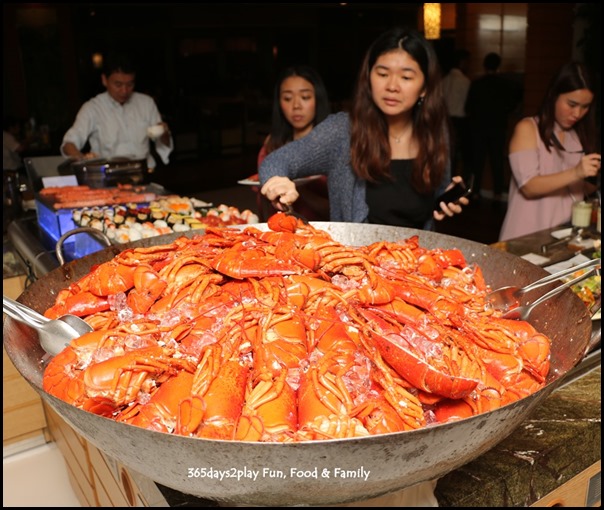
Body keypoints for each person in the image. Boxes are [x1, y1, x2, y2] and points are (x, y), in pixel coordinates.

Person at [259, 26, 467, 230]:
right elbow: (276, 161)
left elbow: (436, 201)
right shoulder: (343, 131)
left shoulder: (435, 133)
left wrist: (446, 199)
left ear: (424, 88)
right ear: (369, 78)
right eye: (383, 74)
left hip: (418, 259)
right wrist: (278, 182)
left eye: (406, 77)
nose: (392, 86)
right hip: (356, 261)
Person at [498, 61, 600, 241]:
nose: (577, 113)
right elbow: (529, 187)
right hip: (524, 240)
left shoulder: (577, 136)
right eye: (571, 104)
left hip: (563, 238)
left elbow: (576, 189)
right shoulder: (528, 128)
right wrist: (576, 172)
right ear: (554, 96)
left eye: (585, 107)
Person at [61, 52, 173, 172]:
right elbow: (69, 143)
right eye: (118, 84)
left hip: (145, 172)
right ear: (104, 80)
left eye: (130, 84)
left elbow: (163, 144)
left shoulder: (146, 103)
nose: (124, 91)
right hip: (108, 175)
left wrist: (164, 132)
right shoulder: (92, 108)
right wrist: (83, 160)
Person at [255, 64, 331, 221]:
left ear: (318, 99)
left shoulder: (333, 141)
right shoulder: (272, 143)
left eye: (305, 97)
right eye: (287, 98)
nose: (296, 106)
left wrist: (299, 191)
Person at [465, 52, 517, 200]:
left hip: (478, 127)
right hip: (497, 127)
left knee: (478, 161)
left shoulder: (476, 84)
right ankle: (498, 193)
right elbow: (512, 104)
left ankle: (474, 192)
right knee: (497, 161)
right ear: (498, 65)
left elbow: (468, 107)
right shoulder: (505, 85)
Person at [442, 48, 471, 176]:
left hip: (444, 120)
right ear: (462, 62)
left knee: (448, 155)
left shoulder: (443, 80)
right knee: (464, 156)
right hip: (460, 122)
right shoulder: (465, 81)